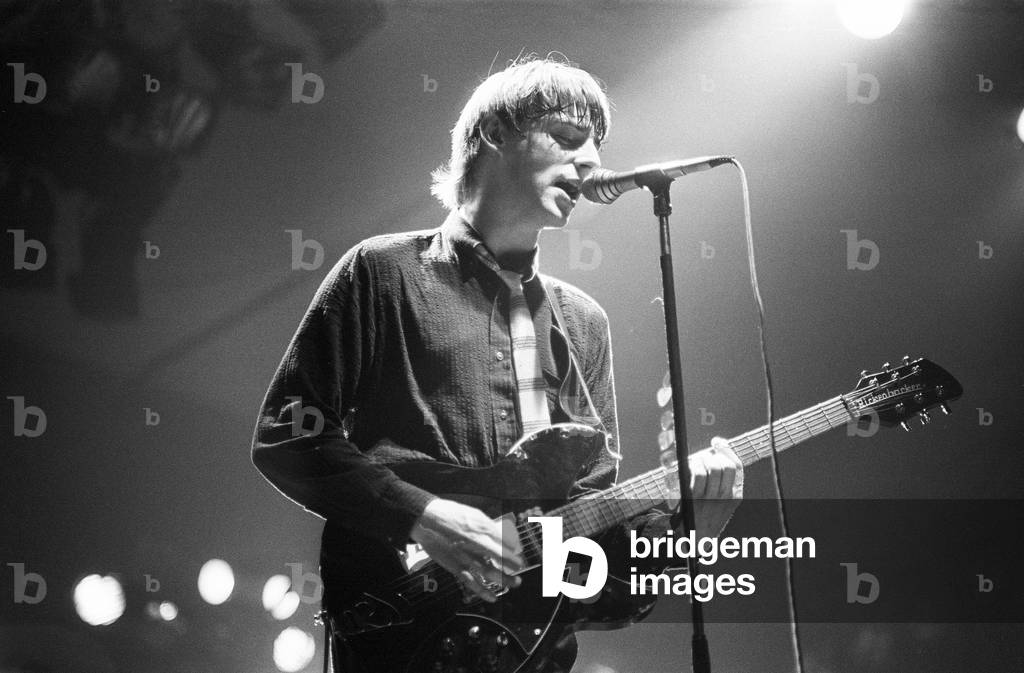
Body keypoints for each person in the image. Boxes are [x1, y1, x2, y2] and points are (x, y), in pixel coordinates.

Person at [251, 55, 743, 672]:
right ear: (493, 135)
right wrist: (422, 516)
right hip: (400, 632)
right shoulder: (383, 272)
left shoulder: (583, 322)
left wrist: (692, 537)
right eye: (567, 139)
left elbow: (595, 570)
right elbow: (286, 434)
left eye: (597, 145)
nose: (591, 161)